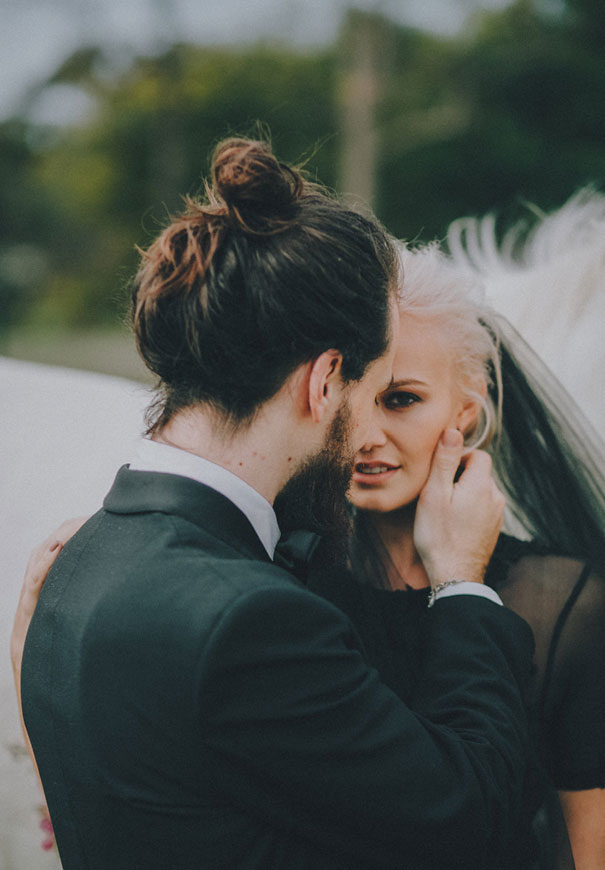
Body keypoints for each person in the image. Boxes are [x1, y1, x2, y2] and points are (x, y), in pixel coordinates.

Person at [12, 137, 535, 870]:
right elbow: (467, 817)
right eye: (368, 388)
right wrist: (462, 584)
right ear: (324, 382)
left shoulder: (78, 562)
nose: (369, 433)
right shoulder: (251, 619)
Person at [305, 239, 605, 869]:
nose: (365, 434)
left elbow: (585, 849)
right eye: (348, 397)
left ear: (464, 413)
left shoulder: (563, 604)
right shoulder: (287, 584)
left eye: (401, 398)